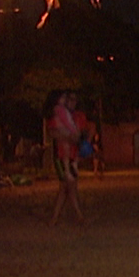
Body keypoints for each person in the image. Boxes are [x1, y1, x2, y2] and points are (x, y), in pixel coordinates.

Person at [48, 91, 86, 225]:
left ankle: (55, 218)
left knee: (65, 188)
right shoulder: (59, 116)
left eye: (74, 100)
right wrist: (69, 137)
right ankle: (78, 215)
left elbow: (77, 137)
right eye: (70, 99)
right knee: (69, 187)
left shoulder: (77, 117)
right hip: (61, 156)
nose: (72, 102)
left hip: (71, 156)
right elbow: (53, 133)